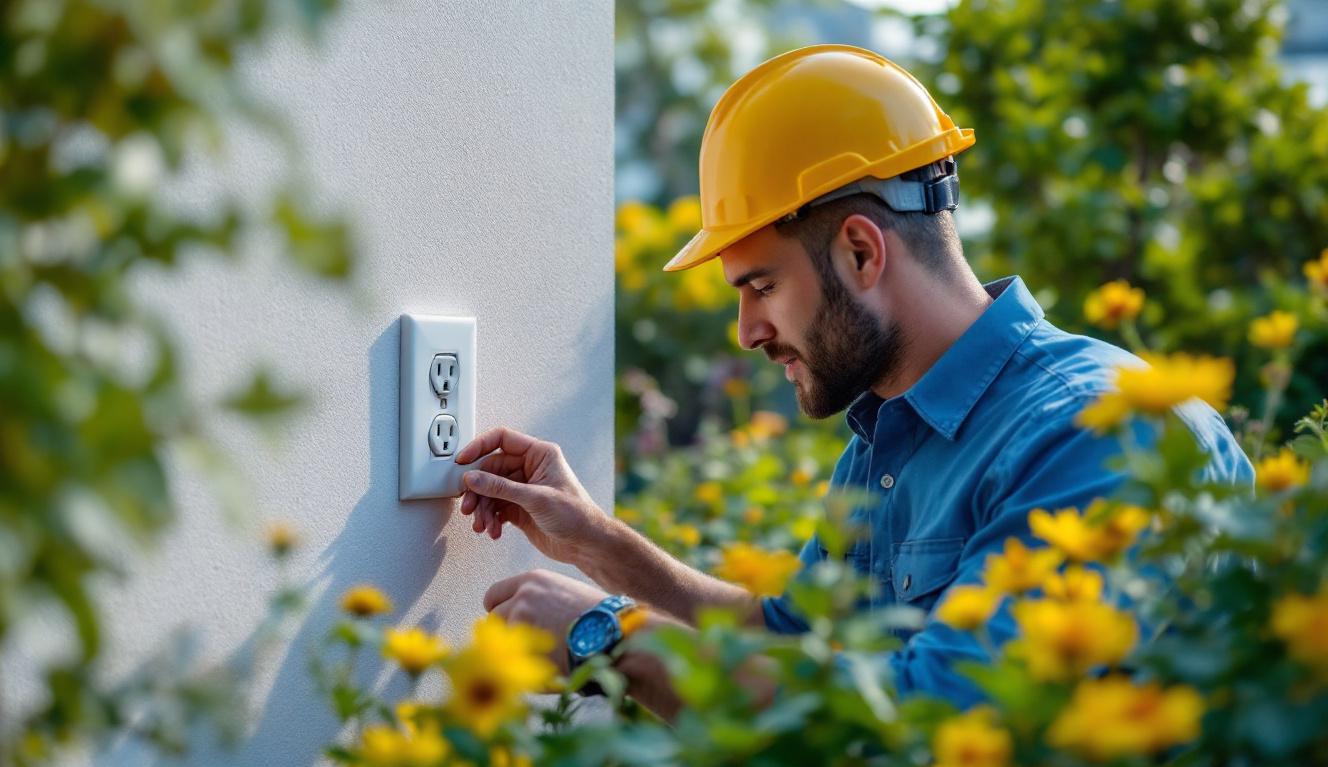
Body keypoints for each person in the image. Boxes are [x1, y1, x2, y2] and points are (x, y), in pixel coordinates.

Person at [453, 44, 1252, 719]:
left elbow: (927, 727)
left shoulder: (1096, 430)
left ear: (862, 253)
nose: (748, 333)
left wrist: (612, 636)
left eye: (761, 287)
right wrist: (597, 543)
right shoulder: (887, 437)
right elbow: (789, 642)